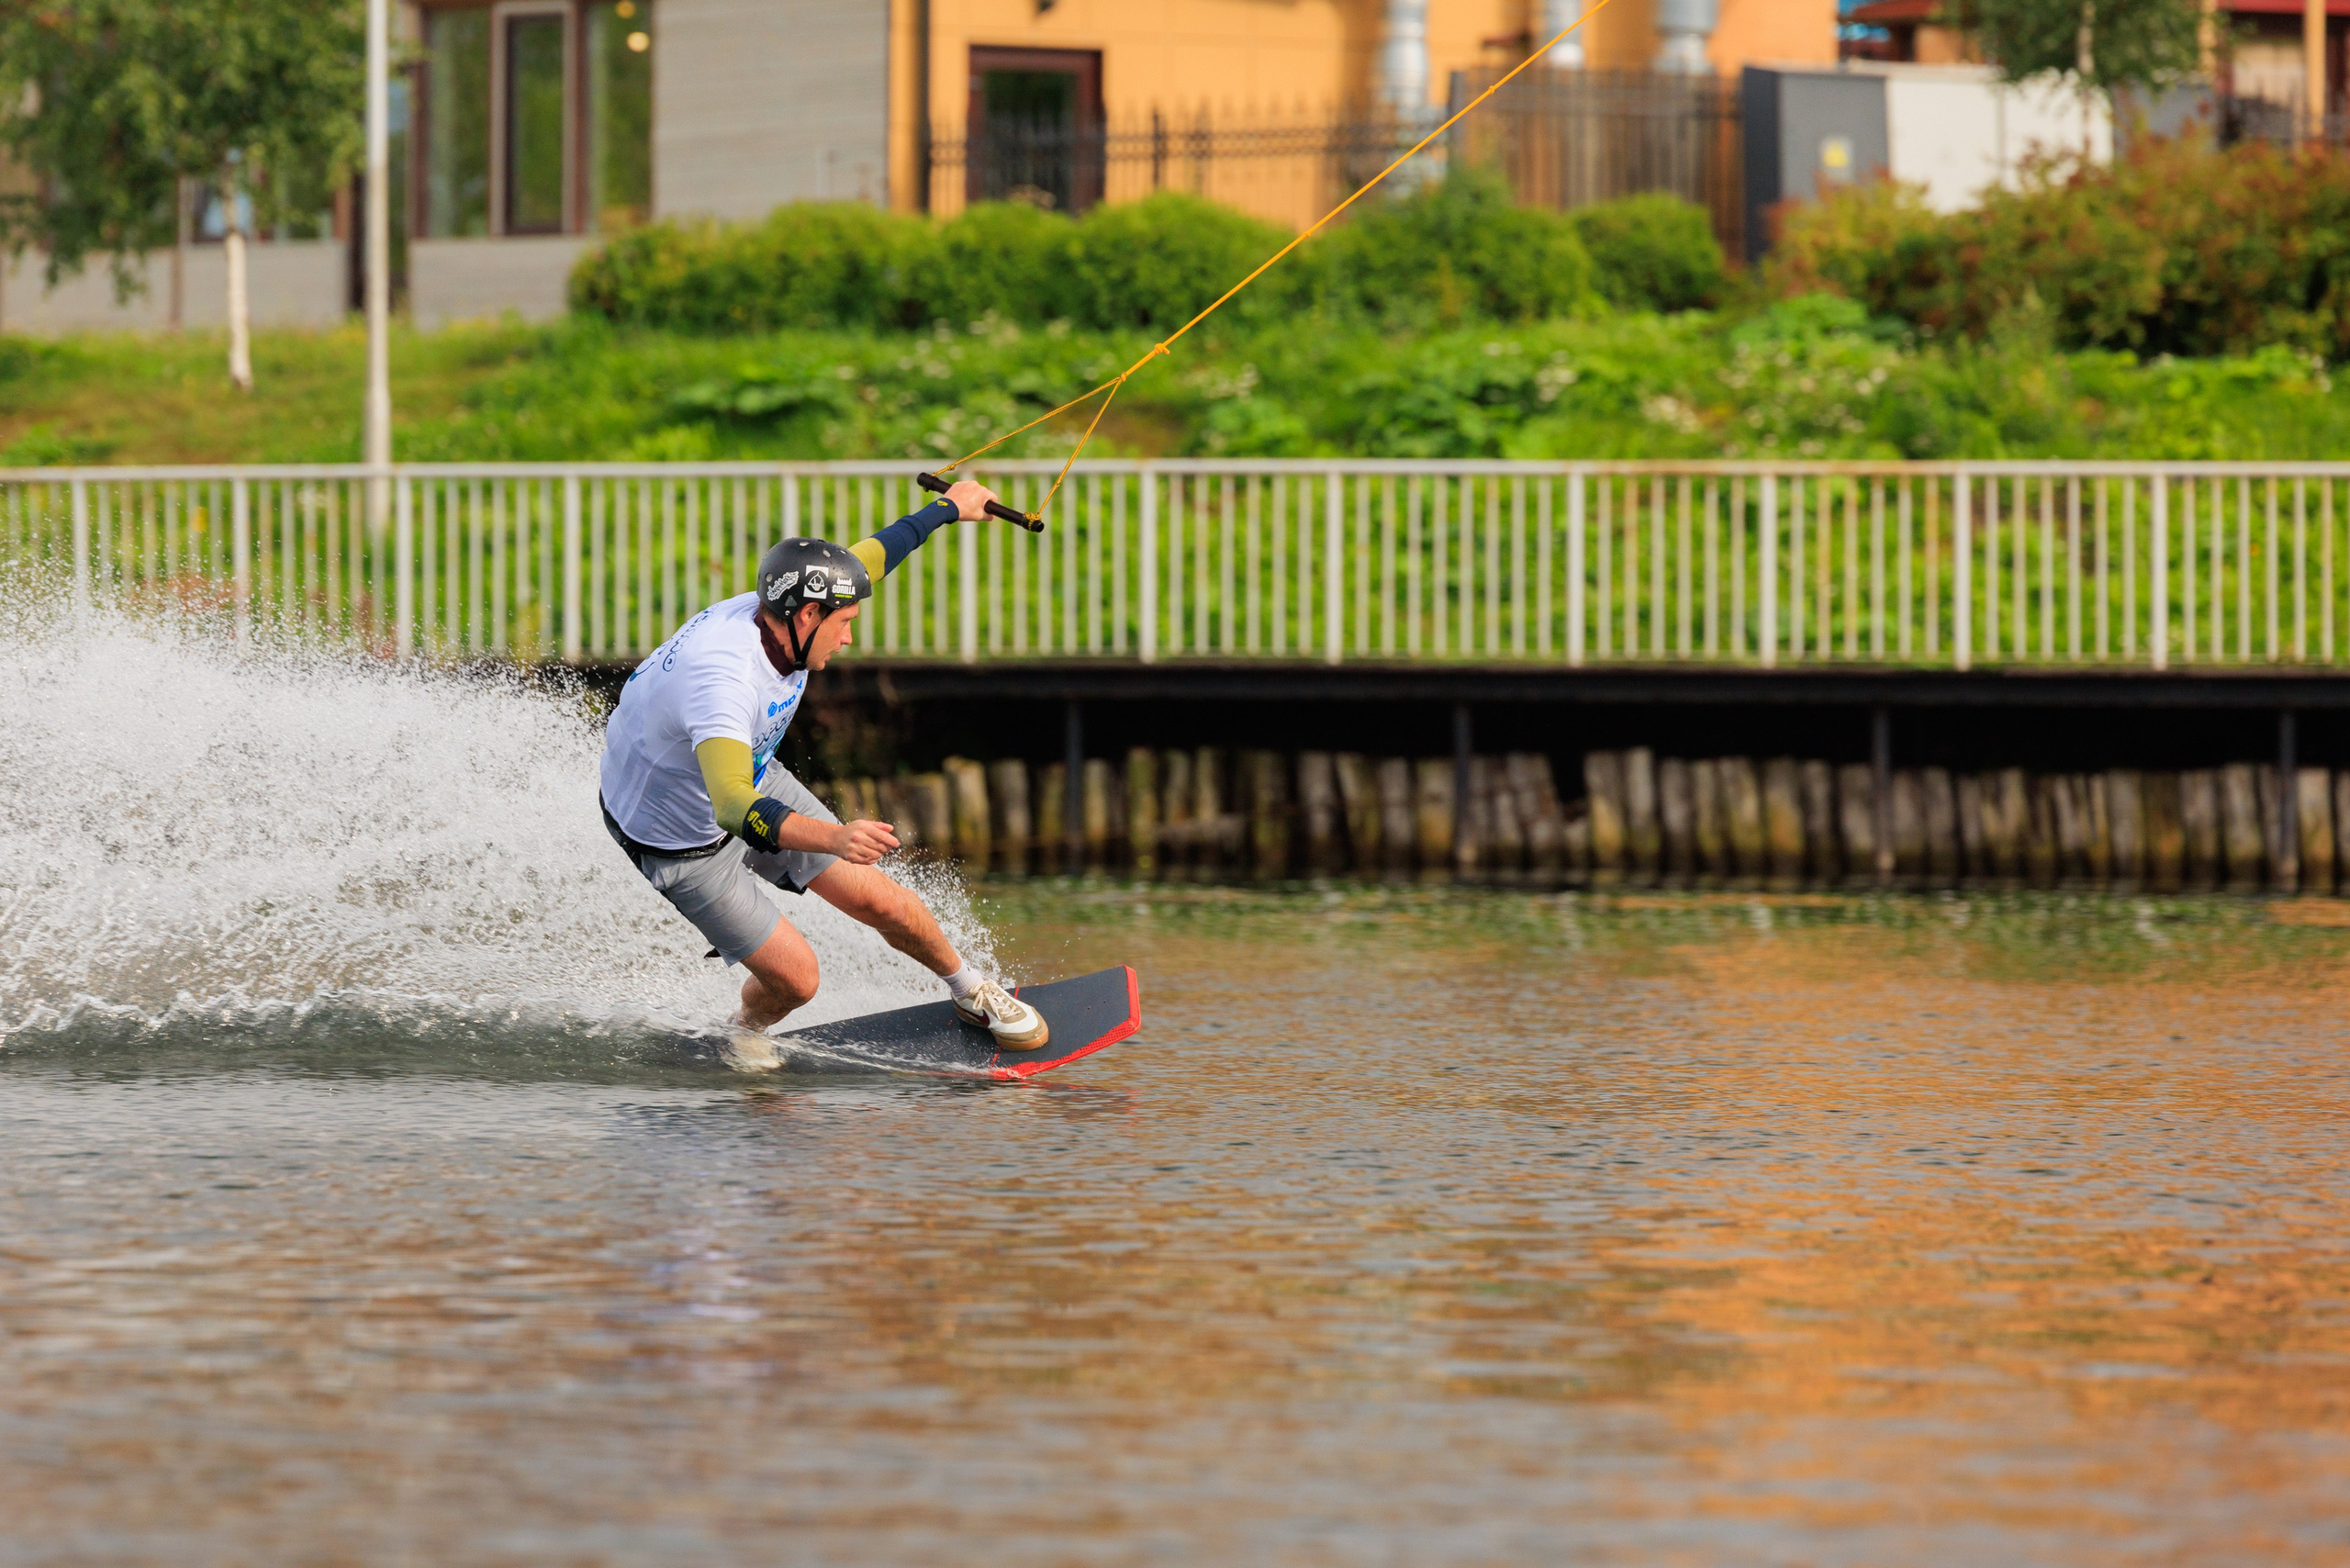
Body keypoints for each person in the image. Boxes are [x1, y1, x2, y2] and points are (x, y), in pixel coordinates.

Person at [598, 478, 1047, 1058]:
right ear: (808, 615)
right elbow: (731, 807)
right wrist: (835, 837)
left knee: (886, 901)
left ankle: (970, 991)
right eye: (844, 623)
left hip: (748, 775)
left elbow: (870, 557)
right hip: (678, 840)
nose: (850, 636)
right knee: (797, 981)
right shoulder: (723, 682)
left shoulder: (786, 616)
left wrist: (948, 509)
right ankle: (743, 1033)